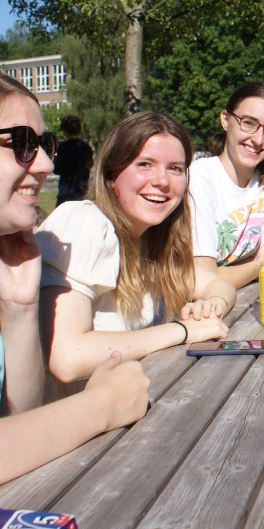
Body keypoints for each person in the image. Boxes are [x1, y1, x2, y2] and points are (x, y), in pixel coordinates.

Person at [0, 65, 149, 525]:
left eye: (46, 145)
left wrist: (20, 309)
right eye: (20, 143)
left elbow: (13, 418)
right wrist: (97, 408)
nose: (44, 164)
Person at [39, 111, 234, 390]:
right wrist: (183, 330)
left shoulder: (152, 239)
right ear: (111, 174)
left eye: (175, 168)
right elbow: (67, 358)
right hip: (67, 424)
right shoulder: (86, 224)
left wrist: (211, 306)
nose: (162, 181)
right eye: (144, 164)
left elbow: (218, 284)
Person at [188, 83, 264, 289]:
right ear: (225, 120)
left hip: (241, 303)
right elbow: (203, 280)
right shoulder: (200, 176)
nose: (258, 140)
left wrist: (257, 265)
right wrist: (259, 265)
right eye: (249, 123)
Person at [54, 115, 93, 207]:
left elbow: (56, 169)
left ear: (64, 130)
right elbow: (90, 165)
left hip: (66, 192)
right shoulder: (86, 148)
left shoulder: (63, 148)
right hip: (81, 191)